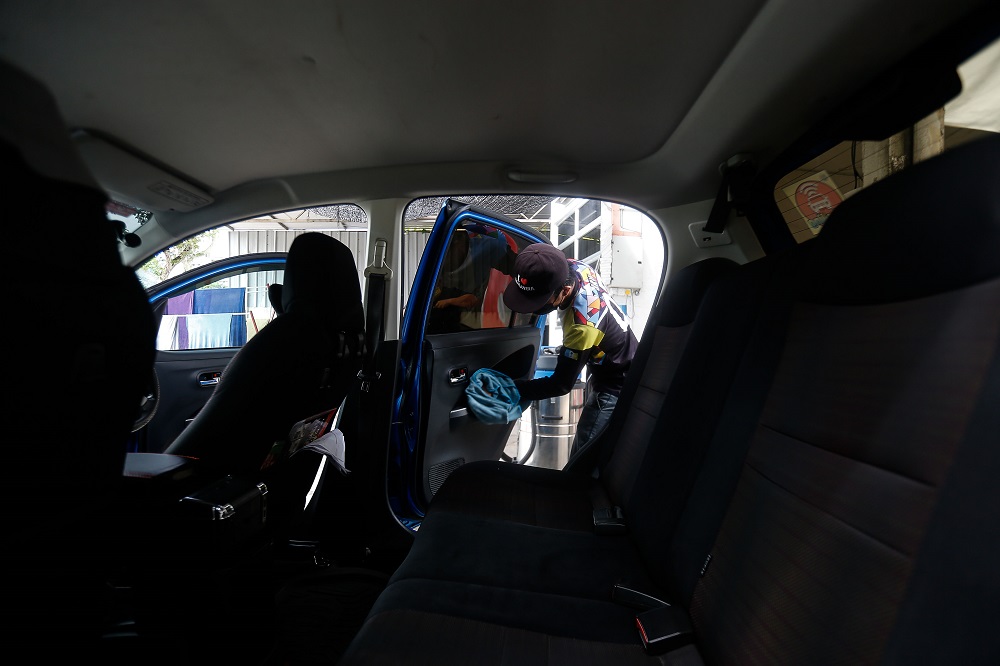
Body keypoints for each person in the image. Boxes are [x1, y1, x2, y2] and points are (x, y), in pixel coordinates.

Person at [502, 243, 638, 456]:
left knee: (583, 457)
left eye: (539, 300)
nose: (533, 308)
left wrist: (513, 389)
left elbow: (561, 384)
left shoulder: (581, 325)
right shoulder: (574, 267)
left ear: (564, 291)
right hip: (609, 360)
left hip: (617, 382)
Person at [428, 224, 517, 332]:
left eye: (450, 253)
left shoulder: (491, 246)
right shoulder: (439, 264)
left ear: (459, 242)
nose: (449, 258)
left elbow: (472, 300)